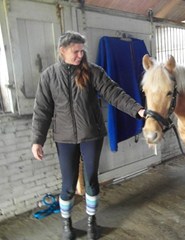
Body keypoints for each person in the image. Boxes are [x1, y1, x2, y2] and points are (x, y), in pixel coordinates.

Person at [31, 31, 145, 240]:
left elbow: (114, 92)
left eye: (82, 51)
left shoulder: (93, 72)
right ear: (62, 51)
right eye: (75, 51)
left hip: (91, 134)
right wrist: (37, 141)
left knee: (91, 181)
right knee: (67, 185)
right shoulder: (48, 76)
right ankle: (67, 227)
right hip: (64, 138)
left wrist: (137, 110)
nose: (80, 55)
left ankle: (92, 224)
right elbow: (42, 111)